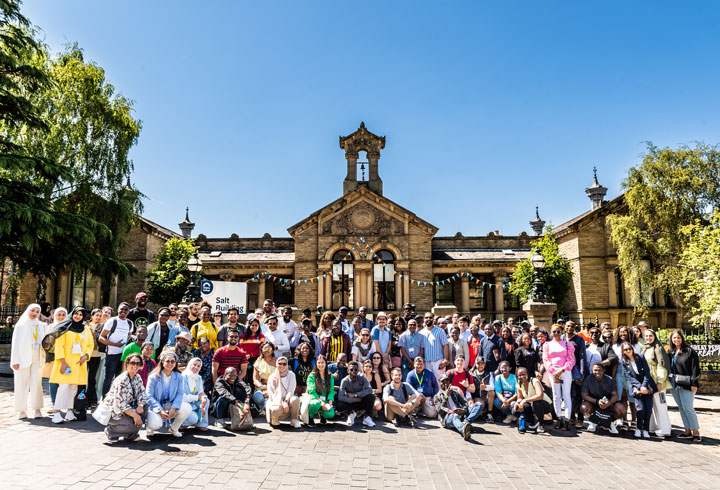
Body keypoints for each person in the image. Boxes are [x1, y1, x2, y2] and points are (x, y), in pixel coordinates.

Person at [45, 307, 93, 424]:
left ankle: (69, 411)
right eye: (76, 313)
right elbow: (59, 345)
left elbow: (90, 345)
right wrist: (63, 362)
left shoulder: (86, 329)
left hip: (79, 362)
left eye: (81, 315)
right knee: (64, 387)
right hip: (65, 361)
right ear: (72, 314)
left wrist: (86, 356)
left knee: (73, 388)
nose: (78, 316)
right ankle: (57, 412)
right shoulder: (64, 327)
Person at [11, 304, 47, 419]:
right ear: (28, 311)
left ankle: (37, 409)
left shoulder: (42, 325)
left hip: (37, 356)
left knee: (37, 383)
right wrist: (15, 360)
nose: (34, 313)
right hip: (22, 357)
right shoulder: (20, 325)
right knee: (21, 383)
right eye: (32, 310)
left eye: (37, 311)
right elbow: (15, 344)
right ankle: (21, 410)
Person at [145, 350, 192, 437]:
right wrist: (159, 410)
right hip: (156, 405)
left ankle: (174, 428)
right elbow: (148, 395)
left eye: (173, 361)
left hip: (170, 405)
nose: (170, 364)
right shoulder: (153, 377)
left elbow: (180, 393)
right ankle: (149, 427)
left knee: (187, 407)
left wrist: (174, 408)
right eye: (167, 361)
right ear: (162, 362)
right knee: (155, 424)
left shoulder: (179, 376)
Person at [103, 353, 149, 442]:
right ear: (127, 364)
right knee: (134, 423)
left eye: (138, 363)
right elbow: (121, 404)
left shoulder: (137, 377)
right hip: (115, 412)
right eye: (133, 363)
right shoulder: (121, 380)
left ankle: (131, 434)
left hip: (130, 408)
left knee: (148, 409)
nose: (135, 366)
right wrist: (135, 415)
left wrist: (141, 405)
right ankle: (111, 431)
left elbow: (143, 394)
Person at [668, 330, 701, 442]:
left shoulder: (689, 351)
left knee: (688, 407)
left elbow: (695, 368)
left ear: (682, 338)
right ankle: (687, 430)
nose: (676, 340)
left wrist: (694, 383)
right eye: (674, 338)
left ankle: (696, 431)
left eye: (678, 337)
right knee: (681, 407)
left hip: (686, 382)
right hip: (674, 382)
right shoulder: (671, 351)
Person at [542, 324, 575, 430]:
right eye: (554, 332)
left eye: (558, 331)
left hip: (565, 371)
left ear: (562, 332)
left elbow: (571, 359)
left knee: (566, 395)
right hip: (553, 372)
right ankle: (559, 418)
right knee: (556, 396)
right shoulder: (547, 345)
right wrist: (554, 372)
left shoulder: (567, 344)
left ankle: (567, 419)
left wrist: (562, 370)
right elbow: (546, 360)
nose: (556, 334)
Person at [619, 341, 655, 438]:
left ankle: (646, 430)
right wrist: (640, 386)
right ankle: (639, 429)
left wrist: (644, 385)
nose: (628, 351)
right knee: (640, 409)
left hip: (647, 385)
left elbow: (647, 372)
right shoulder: (624, 362)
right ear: (623, 351)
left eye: (629, 348)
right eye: (625, 349)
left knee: (648, 409)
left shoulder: (640, 357)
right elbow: (629, 377)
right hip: (636, 387)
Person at [642, 329, 672, 437]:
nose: (648, 338)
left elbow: (662, 365)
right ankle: (653, 427)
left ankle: (665, 429)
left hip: (658, 380)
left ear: (654, 336)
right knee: (652, 405)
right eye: (646, 336)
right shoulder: (645, 348)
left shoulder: (658, 348)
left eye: (650, 336)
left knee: (661, 405)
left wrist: (660, 382)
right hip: (649, 379)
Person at [99, 302, 133, 397]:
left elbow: (129, 336)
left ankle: (116, 399)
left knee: (120, 378)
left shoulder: (130, 323)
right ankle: (104, 400)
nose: (123, 311)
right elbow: (101, 338)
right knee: (108, 379)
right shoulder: (112, 321)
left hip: (123, 355)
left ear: (128, 312)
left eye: (126, 310)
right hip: (111, 354)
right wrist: (115, 344)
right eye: (121, 309)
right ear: (118, 310)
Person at [434, 374, 481, 441]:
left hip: (461, 414)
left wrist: (463, 410)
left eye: (447, 381)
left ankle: (466, 422)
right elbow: (440, 411)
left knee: (478, 405)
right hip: (448, 417)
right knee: (454, 415)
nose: (445, 383)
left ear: (450, 382)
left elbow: (465, 403)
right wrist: (446, 397)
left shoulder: (455, 393)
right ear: (439, 383)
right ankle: (463, 430)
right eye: (443, 381)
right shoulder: (437, 396)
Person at [581, 362, 622, 434]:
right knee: (584, 407)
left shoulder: (609, 380)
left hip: (608, 404)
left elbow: (615, 395)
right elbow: (584, 395)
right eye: (595, 370)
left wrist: (609, 402)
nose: (597, 372)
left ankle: (611, 422)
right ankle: (593, 422)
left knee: (621, 409)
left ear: (603, 370)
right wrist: (597, 401)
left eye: (599, 370)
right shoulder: (588, 379)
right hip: (593, 403)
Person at [612, 325, 640, 429]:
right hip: (619, 372)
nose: (622, 334)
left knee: (632, 398)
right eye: (620, 332)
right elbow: (615, 362)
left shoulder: (636, 346)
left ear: (629, 333)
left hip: (632, 373)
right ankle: (623, 420)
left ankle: (634, 421)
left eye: (625, 332)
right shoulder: (615, 346)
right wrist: (614, 376)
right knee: (621, 397)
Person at [513, 367, 553, 434]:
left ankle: (541, 424)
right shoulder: (518, 383)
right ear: (517, 376)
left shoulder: (534, 381)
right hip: (531, 404)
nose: (522, 376)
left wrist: (524, 400)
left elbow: (540, 396)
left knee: (537, 403)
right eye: (519, 375)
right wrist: (517, 403)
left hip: (545, 404)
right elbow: (520, 398)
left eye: (524, 374)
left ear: (527, 374)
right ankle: (532, 422)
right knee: (515, 410)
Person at [337, 361, 376, 427]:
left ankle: (367, 417)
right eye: (351, 369)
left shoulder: (362, 377)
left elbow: (369, 390)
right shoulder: (344, 381)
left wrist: (356, 395)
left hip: (361, 401)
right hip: (350, 402)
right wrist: (356, 399)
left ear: (358, 371)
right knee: (339, 405)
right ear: (348, 371)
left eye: (355, 369)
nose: (353, 371)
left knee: (371, 397)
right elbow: (340, 397)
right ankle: (351, 414)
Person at [266, 356, 301, 429]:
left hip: (287, 400)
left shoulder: (291, 375)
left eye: (284, 364)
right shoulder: (272, 377)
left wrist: (285, 401)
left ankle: (294, 419)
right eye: (280, 363)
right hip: (276, 401)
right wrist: (279, 401)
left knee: (295, 399)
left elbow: (291, 391)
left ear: (287, 365)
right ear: (276, 364)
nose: (282, 366)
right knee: (276, 410)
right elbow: (270, 392)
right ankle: (274, 419)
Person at [563, 321, 586, 429]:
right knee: (568, 394)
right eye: (568, 326)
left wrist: (582, 373)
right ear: (564, 327)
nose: (570, 328)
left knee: (578, 395)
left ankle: (580, 418)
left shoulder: (579, 339)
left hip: (575, 369)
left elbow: (582, 356)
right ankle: (571, 416)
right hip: (564, 370)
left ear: (575, 327)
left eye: (572, 326)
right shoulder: (561, 338)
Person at [303, 355, 335, 425]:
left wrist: (329, 403)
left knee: (330, 413)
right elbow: (312, 392)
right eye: (319, 363)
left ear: (326, 363)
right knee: (315, 404)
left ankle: (322, 415)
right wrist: (321, 402)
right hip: (315, 399)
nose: (321, 365)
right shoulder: (312, 376)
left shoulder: (330, 376)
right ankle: (310, 417)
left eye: (322, 362)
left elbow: (331, 391)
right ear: (316, 364)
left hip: (325, 399)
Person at [181, 357, 209, 430]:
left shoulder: (198, 377)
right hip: (184, 404)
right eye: (194, 364)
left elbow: (201, 392)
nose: (196, 367)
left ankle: (201, 424)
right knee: (193, 419)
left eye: (198, 366)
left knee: (207, 401)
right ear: (190, 364)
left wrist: (203, 397)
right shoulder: (183, 376)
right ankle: (179, 423)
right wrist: (197, 397)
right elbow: (183, 397)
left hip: (193, 403)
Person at [84, 308, 104, 408]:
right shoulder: (85, 325)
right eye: (97, 315)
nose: (98, 317)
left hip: (96, 355)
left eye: (100, 315)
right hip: (85, 354)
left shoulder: (102, 327)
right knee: (84, 378)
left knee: (92, 378)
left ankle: (92, 400)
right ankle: (83, 399)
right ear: (92, 316)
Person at [421, 312, 449, 380]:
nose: (428, 319)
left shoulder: (440, 331)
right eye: (426, 317)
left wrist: (445, 360)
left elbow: (445, 346)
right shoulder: (421, 332)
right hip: (426, 362)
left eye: (430, 317)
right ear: (424, 319)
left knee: (439, 383)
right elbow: (421, 349)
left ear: (433, 319)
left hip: (438, 361)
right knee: (428, 382)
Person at [252, 341, 277, 414]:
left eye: (269, 348)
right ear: (262, 350)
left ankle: (268, 409)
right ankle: (265, 408)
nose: (266, 350)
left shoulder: (278, 361)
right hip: (262, 386)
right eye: (264, 348)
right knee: (259, 397)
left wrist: (269, 388)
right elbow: (255, 379)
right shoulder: (258, 362)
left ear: (272, 350)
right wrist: (261, 386)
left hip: (275, 387)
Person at [239, 316, 265, 383]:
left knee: (252, 378)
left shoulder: (261, 337)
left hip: (255, 360)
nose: (254, 327)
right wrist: (245, 356)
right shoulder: (243, 336)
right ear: (249, 326)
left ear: (259, 326)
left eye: (256, 325)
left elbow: (260, 349)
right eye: (252, 325)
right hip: (244, 359)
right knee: (243, 378)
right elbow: (241, 347)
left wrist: (250, 355)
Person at [468, 356, 495, 421]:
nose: (480, 365)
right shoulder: (472, 374)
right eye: (478, 363)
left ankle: (489, 413)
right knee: (480, 404)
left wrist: (485, 387)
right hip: (476, 397)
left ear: (485, 364)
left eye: (482, 363)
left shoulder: (488, 374)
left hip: (486, 397)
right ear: (475, 364)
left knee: (491, 392)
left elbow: (493, 387)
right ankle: (482, 412)